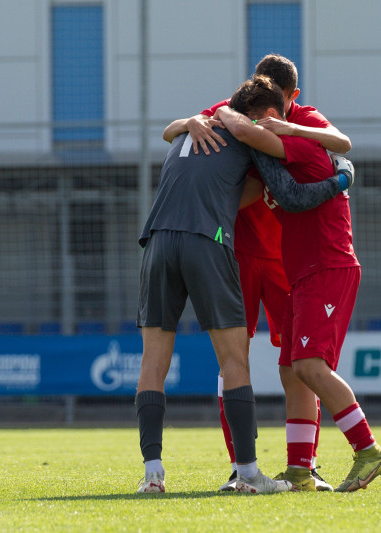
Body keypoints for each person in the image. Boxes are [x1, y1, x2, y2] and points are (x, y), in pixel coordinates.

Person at [135, 75, 351, 495]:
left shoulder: (294, 118)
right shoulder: (243, 120)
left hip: (170, 239)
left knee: (290, 364)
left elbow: (337, 140)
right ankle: (245, 470)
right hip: (222, 246)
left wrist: (191, 122)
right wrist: (340, 178)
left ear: (292, 100)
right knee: (235, 360)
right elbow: (285, 191)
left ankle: (156, 473)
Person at [216, 85, 381, 493]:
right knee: (291, 369)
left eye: (262, 117)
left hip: (328, 267)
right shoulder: (287, 147)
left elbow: (252, 135)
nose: (258, 125)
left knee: (312, 367)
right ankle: (300, 469)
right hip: (304, 273)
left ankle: (367, 449)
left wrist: (222, 116)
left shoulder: (297, 141)